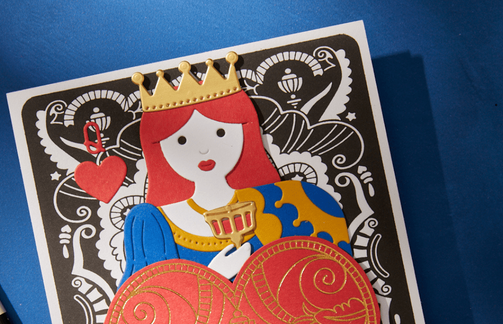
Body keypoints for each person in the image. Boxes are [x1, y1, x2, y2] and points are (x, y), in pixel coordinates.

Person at [120, 53, 351, 286]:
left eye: (220, 132)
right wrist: (214, 275)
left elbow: (338, 282)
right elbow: (142, 301)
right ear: (158, 148)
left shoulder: (294, 202)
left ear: (245, 131)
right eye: (182, 141)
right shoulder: (151, 223)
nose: (203, 150)